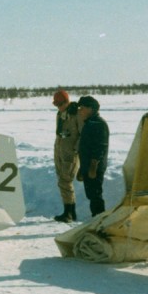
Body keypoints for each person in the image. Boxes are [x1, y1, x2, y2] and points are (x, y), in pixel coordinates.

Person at [76, 95, 109, 217]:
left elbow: (101, 147)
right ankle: (97, 218)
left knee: (95, 196)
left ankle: (99, 221)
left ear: (91, 109)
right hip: (88, 166)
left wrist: (93, 166)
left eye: (82, 108)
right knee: (91, 195)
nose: (80, 111)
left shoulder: (99, 124)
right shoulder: (89, 123)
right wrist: (82, 167)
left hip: (94, 168)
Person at [52, 90, 81, 222]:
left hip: (70, 154)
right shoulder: (60, 114)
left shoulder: (76, 115)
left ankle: (70, 212)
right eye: (56, 105)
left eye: (60, 104)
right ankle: (68, 211)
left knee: (66, 181)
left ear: (66, 102)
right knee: (62, 181)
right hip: (60, 151)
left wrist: (75, 149)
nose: (58, 107)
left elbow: (82, 135)